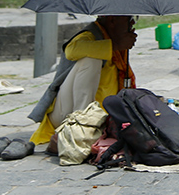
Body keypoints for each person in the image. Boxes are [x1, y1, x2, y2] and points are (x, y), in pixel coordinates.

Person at [28, 15, 137, 150]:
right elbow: (71, 50)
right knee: (91, 60)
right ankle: (80, 129)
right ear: (112, 20)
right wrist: (115, 45)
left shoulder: (117, 44)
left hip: (101, 114)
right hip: (68, 112)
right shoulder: (90, 35)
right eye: (128, 19)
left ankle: (92, 127)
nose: (132, 22)